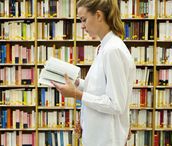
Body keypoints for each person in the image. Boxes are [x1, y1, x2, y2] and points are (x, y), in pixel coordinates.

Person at [51, 0, 136, 145]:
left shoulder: (112, 50)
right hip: (98, 135)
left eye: (83, 20)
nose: (82, 26)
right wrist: (77, 83)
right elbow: (100, 89)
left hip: (107, 138)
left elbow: (115, 104)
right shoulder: (103, 47)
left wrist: (76, 94)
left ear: (98, 15)